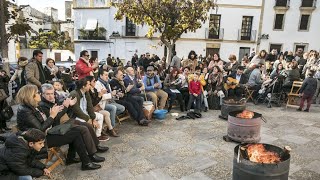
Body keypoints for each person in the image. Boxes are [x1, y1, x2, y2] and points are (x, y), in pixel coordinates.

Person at [16, 84, 102, 170]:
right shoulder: (25, 111)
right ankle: (85, 162)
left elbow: (48, 121)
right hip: (40, 140)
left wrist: (56, 112)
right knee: (77, 131)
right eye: (37, 93)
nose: (39, 94)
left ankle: (76, 159)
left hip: (46, 133)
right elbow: (40, 129)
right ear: (31, 96)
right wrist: (52, 116)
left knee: (76, 130)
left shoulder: (33, 106)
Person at [39, 83, 109, 162]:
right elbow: (55, 119)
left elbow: (61, 111)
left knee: (87, 125)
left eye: (52, 93)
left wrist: (68, 105)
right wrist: (66, 106)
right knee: (82, 129)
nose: (51, 96)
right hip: (56, 127)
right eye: (48, 94)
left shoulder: (53, 100)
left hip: (62, 122)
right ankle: (92, 154)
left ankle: (96, 146)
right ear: (42, 94)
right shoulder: (43, 105)